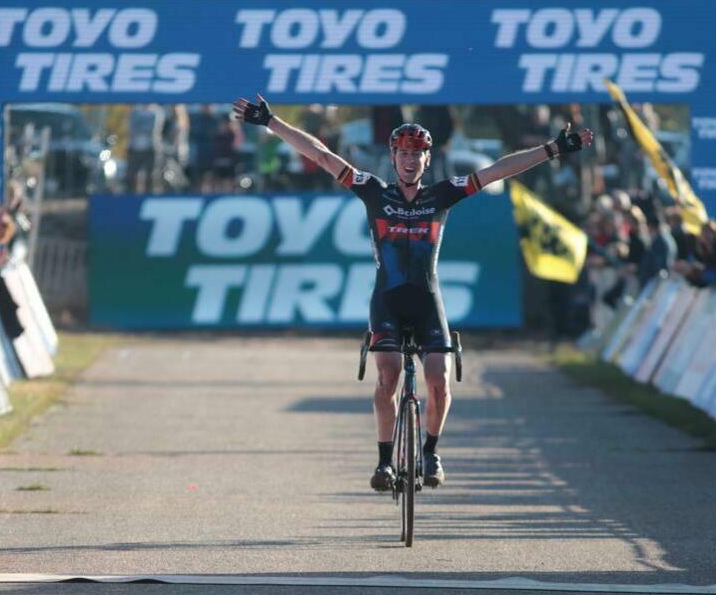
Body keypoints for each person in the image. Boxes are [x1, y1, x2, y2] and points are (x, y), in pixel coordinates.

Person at [234, 94, 592, 492]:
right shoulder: (373, 191)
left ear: (427, 159)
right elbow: (321, 155)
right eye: (403, 152)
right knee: (387, 375)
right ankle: (385, 461)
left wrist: (554, 148)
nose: (409, 159)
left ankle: (431, 451)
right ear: (393, 157)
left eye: (417, 153)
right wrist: (272, 122)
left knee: (438, 381)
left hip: (426, 299)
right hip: (387, 298)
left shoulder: (440, 196)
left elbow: (498, 171)